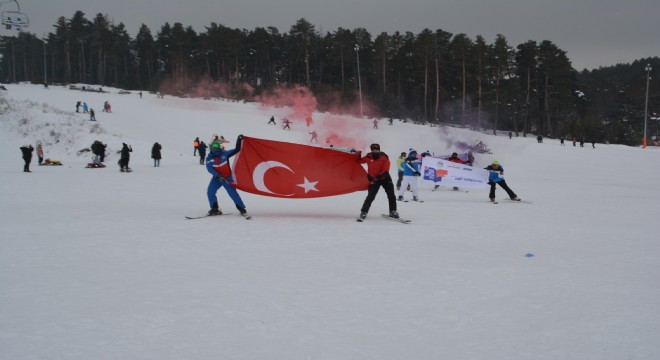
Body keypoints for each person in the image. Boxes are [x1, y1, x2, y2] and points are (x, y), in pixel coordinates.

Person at [205, 135, 248, 216]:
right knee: (210, 191)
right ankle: (214, 209)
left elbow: (237, 149)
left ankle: (241, 208)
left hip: (227, 178)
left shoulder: (225, 154)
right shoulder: (209, 158)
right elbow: (210, 169)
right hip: (217, 178)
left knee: (232, 193)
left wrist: (239, 140)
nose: (215, 148)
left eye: (216, 146)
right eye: (213, 146)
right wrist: (218, 176)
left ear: (220, 147)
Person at [357, 143, 398, 220]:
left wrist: (376, 178)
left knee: (391, 195)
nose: (375, 151)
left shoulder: (384, 158)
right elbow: (360, 161)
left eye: (376, 150)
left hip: (385, 178)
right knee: (370, 196)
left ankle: (393, 211)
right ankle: (364, 212)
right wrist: (358, 154)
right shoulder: (368, 157)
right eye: (373, 150)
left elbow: (385, 170)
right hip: (374, 179)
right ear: (371, 150)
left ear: (379, 150)